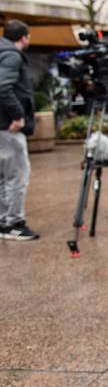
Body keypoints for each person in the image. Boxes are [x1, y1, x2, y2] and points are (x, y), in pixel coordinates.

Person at [0, 20, 38, 241]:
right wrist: (18, 116)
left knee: (4, 176)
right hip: (9, 126)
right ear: (24, 37)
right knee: (17, 175)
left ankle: (4, 221)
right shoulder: (12, 55)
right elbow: (3, 87)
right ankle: (13, 223)